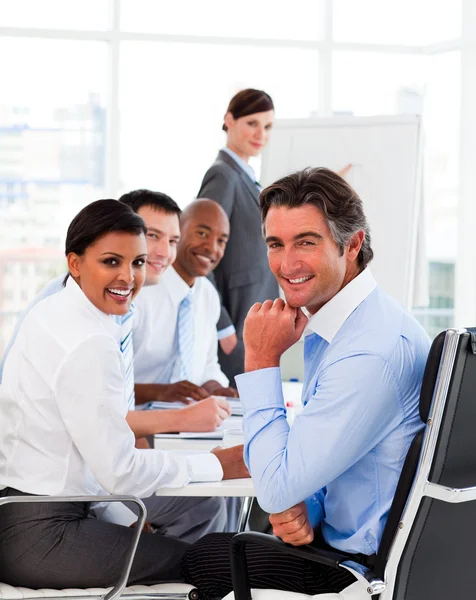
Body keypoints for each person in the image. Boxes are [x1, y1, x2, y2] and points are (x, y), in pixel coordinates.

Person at [181, 168, 431, 598]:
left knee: (203, 557)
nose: (286, 264)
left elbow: (275, 488)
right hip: (345, 542)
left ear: (352, 245)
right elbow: (329, 464)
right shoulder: (356, 323)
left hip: (357, 570)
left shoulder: (367, 351)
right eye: (275, 244)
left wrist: (259, 358)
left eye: (306, 242)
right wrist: (308, 507)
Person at [0, 199, 249, 589]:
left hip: (42, 511)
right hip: (44, 532)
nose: (128, 277)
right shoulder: (89, 342)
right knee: (206, 563)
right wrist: (216, 464)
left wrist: (125, 519)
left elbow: (96, 461)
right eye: (111, 262)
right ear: (75, 263)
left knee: (198, 514)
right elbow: (119, 472)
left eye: (136, 263)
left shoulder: (57, 312)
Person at [197, 88, 279, 383]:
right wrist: (223, 326)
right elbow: (200, 254)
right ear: (229, 120)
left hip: (251, 318)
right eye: (252, 123)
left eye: (268, 126)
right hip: (235, 322)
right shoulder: (223, 175)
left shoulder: (245, 176)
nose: (261, 134)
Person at [133, 198, 238, 402]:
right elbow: (106, 385)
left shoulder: (207, 295)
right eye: (202, 233)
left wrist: (215, 388)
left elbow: (207, 365)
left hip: (189, 423)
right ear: (178, 232)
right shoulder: (140, 288)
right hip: (135, 422)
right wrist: (162, 392)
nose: (212, 248)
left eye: (221, 241)